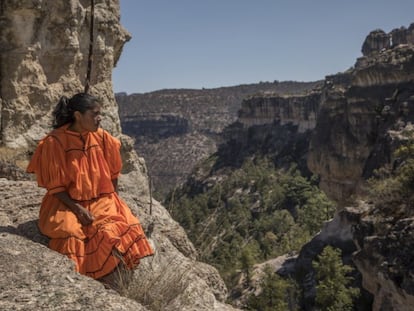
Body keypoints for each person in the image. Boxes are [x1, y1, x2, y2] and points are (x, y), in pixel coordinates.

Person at [27, 93, 154, 282]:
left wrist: (114, 200)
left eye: (99, 113)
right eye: (94, 114)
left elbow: (113, 173)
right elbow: (55, 187)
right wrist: (78, 209)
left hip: (100, 199)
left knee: (113, 230)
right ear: (78, 116)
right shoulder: (55, 142)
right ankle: (77, 284)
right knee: (71, 234)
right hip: (65, 203)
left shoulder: (102, 138)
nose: (99, 118)